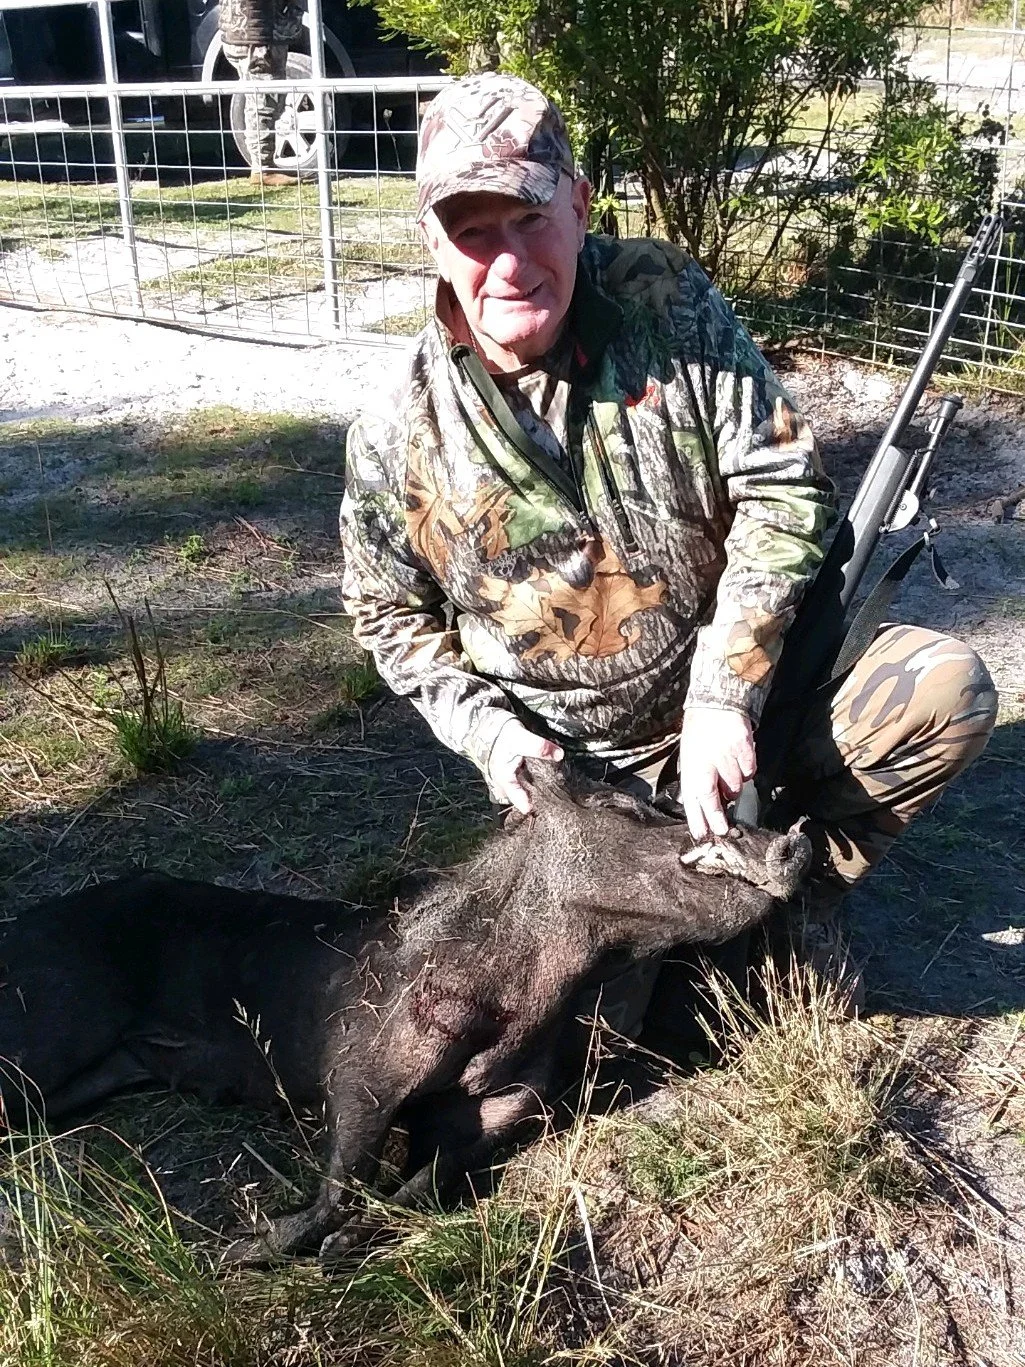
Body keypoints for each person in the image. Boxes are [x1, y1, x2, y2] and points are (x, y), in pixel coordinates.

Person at [339, 72, 998, 1024]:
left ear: (577, 205)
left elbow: (781, 485)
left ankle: (793, 909)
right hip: (573, 784)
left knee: (946, 687)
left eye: (529, 220)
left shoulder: (667, 303)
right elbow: (386, 613)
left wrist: (725, 693)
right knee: (580, 1037)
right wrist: (496, 741)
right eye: (474, 232)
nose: (510, 263)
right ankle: (704, 906)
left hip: (731, 715)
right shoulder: (399, 423)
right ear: (433, 243)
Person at [219, 0, 304, 186]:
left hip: (243, 31)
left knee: (259, 101)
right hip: (257, 36)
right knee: (264, 103)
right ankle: (263, 169)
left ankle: (262, 167)